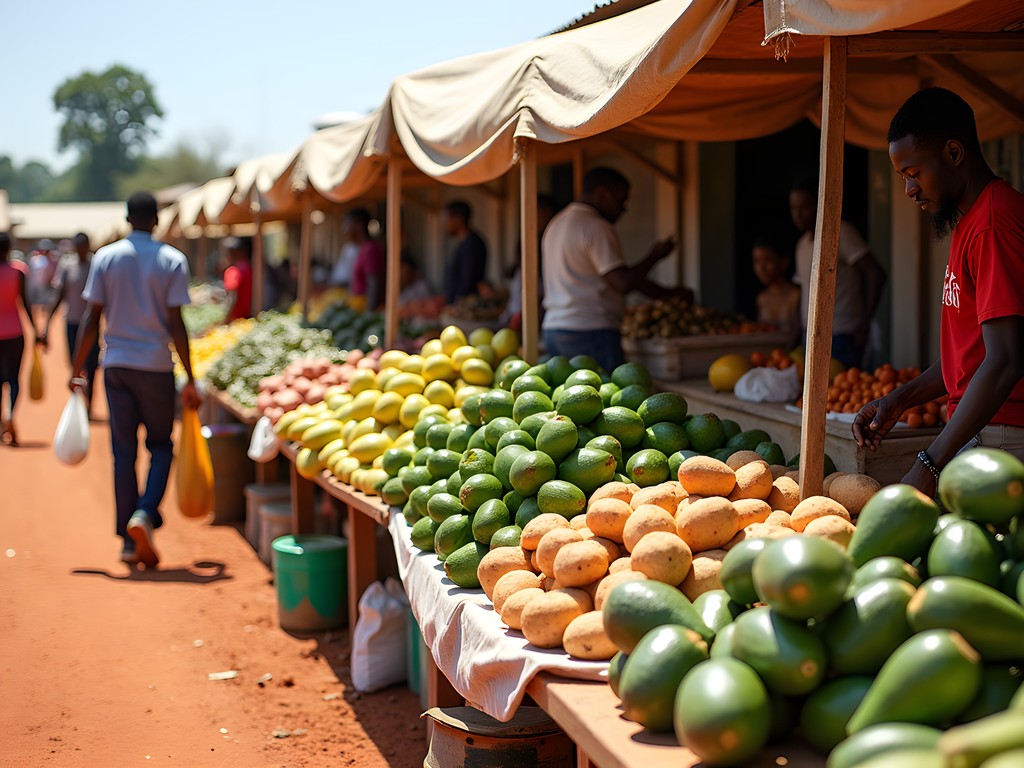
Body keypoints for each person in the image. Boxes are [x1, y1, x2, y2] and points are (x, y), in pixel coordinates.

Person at [854, 87, 1024, 496]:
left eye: (914, 174)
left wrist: (929, 462)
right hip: (984, 430)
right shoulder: (973, 222)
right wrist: (901, 398)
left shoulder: (993, 224)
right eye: (903, 178)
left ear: (953, 153)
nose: (910, 190)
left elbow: (1005, 359)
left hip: (1002, 436)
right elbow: (969, 356)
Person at [69, 192, 201, 567]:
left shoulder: (106, 258)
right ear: (156, 220)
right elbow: (177, 324)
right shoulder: (173, 260)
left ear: (127, 218)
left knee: (123, 454)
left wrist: (78, 368)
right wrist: (190, 377)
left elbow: (92, 320)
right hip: (157, 366)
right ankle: (144, 513)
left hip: (117, 367)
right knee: (160, 446)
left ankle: (127, 544)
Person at [542, 166, 690, 371]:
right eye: (621, 200)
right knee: (604, 399)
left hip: (554, 329)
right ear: (603, 194)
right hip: (590, 331)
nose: (624, 209)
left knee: (568, 400)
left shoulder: (556, 224)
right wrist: (654, 256)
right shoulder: (596, 226)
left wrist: (666, 293)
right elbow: (623, 281)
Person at [790, 176, 887, 368]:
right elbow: (802, 292)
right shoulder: (802, 245)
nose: (798, 214)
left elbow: (876, 273)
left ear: (819, 204)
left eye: (804, 207)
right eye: (793, 208)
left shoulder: (840, 232)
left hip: (843, 335)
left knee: (844, 393)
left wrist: (864, 323)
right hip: (809, 337)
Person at [43, 233, 101, 415]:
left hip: (92, 324)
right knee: (75, 362)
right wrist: (47, 324)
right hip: (73, 322)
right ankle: (79, 397)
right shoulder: (67, 266)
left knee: (91, 364)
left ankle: (89, 402)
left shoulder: (96, 264)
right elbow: (60, 295)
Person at [0, 232, 43, 445]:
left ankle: (1, 423)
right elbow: (25, 303)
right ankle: (9, 414)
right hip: (15, 332)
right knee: (14, 379)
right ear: (9, 249)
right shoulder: (18, 271)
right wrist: (37, 330)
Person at [501, 194, 558, 330]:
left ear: (547, 212)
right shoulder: (527, 239)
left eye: (536, 211)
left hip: (534, 315)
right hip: (518, 313)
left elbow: (543, 285)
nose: (531, 216)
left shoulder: (550, 242)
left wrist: (530, 310)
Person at [752, 233, 801, 347]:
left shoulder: (795, 295)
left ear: (783, 262)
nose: (761, 267)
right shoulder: (761, 298)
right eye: (757, 261)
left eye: (767, 260)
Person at [443, 200, 487, 304]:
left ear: (458, 218)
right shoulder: (465, 243)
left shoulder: (472, 244)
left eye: (447, 219)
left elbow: (467, 280)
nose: (445, 224)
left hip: (465, 308)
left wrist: (457, 302)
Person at [345, 208, 386, 310]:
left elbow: (374, 284)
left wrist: (368, 314)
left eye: (348, 224)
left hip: (365, 308)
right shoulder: (362, 249)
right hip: (359, 306)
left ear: (359, 225)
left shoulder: (370, 250)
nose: (344, 229)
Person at [221, 235, 254, 322]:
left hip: (237, 319)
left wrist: (226, 320)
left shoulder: (233, 271)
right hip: (250, 317)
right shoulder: (252, 269)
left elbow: (232, 298)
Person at [27, 239, 58, 323]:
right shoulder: (34, 259)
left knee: (45, 305)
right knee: (33, 305)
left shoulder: (52, 261)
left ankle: (45, 321)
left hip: (44, 287)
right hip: (33, 286)